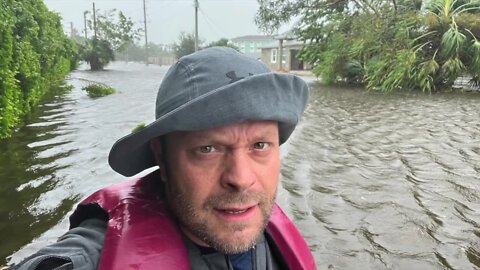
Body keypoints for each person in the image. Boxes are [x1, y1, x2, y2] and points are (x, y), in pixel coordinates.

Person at [14, 47, 316, 270]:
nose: (240, 178)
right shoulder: (93, 255)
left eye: (260, 145)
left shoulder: (275, 241)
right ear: (162, 156)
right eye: (208, 149)